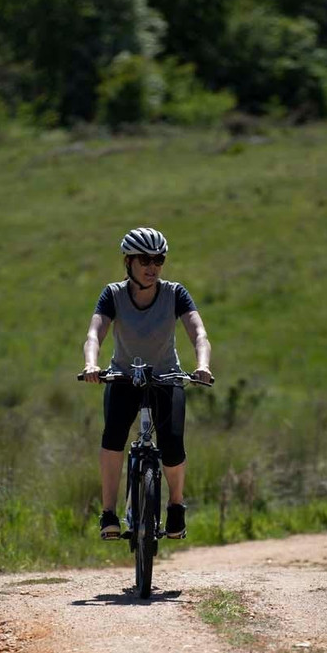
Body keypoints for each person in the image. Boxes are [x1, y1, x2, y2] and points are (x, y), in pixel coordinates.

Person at [82, 227, 212, 540]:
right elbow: (94, 334)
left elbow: (199, 333)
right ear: (128, 262)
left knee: (172, 444)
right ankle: (109, 513)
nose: (152, 267)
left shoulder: (175, 293)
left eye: (158, 260)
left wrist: (202, 366)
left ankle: (176, 507)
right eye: (144, 259)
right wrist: (91, 364)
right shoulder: (112, 294)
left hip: (166, 378)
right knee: (113, 438)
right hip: (124, 376)